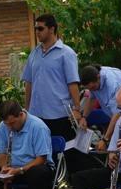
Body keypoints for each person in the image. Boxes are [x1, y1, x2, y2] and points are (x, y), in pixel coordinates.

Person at [22, 13, 101, 173]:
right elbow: (28, 83)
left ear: (52, 29)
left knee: (68, 151)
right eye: (36, 28)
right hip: (38, 114)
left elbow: (72, 83)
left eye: (40, 28)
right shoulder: (34, 53)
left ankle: (73, 186)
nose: (37, 31)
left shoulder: (67, 53)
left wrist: (77, 109)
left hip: (60, 113)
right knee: (41, 152)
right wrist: (27, 109)